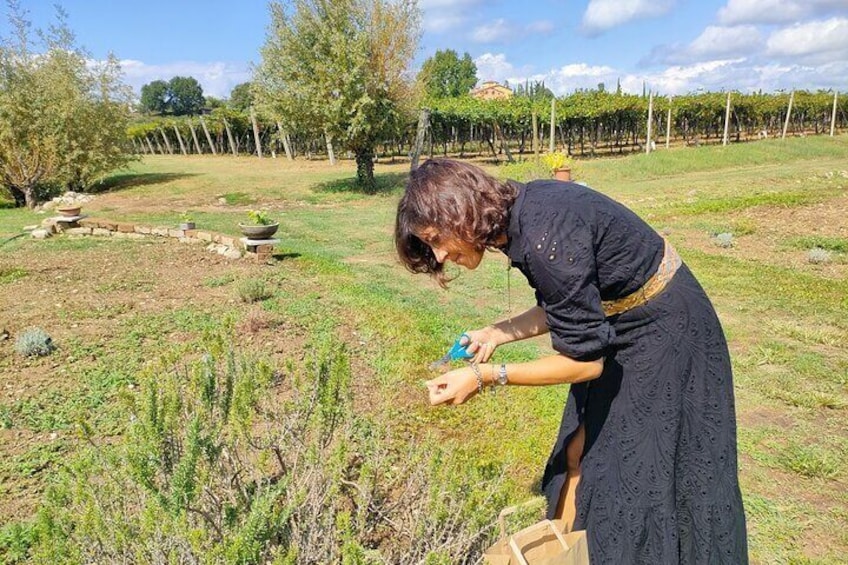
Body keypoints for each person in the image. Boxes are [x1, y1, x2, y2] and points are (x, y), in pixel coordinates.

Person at [394, 158, 748, 564]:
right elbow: (565, 305)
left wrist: (486, 376)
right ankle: (568, 554)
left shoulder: (544, 233)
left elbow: (584, 364)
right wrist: (494, 334)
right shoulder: (521, 216)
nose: (438, 256)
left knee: (636, 469)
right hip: (620, 323)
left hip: (668, 332)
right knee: (577, 451)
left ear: (461, 211)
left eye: (437, 239)